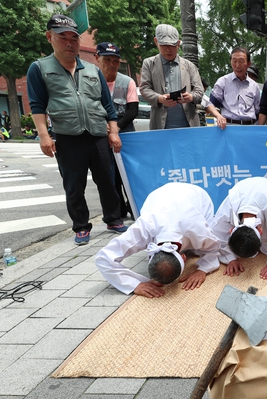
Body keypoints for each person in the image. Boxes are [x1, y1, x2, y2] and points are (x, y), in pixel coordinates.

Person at [27, 14, 127, 246]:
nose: (70, 43)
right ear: (49, 37)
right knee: (74, 185)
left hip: (97, 134)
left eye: (75, 38)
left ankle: (113, 219)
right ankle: (81, 227)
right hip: (67, 136)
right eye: (64, 38)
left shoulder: (93, 71)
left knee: (108, 181)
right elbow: (37, 105)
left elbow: (107, 105)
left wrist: (113, 131)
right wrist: (44, 136)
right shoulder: (39, 68)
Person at [95, 183, 222, 298]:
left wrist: (203, 269)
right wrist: (134, 285)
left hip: (196, 194)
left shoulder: (198, 230)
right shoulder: (142, 229)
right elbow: (103, 259)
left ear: (184, 257)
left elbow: (214, 247)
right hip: (158, 196)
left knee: (198, 249)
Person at [212, 177, 267, 280]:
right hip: (242, 188)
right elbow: (218, 237)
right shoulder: (226, 212)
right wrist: (230, 259)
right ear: (231, 230)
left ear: (261, 230)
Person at [95, 41, 137, 219]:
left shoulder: (127, 82)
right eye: (107, 60)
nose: (112, 64)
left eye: (116, 61)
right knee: (108, 176)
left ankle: (134, 207)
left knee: (129, 174)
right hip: (100, 135)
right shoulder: (91, 80)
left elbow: (132, 110)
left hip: (125, 135)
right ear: (98, 58)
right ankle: (115, 213)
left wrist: (115, 129)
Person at [140, 24, 204, 130]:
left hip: (188, 124)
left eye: (172, 45)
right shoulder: (149, 63)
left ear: (178, 44)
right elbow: (144, 88)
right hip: (160, 125)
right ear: (156, 42)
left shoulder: (189, 66)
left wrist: (191, 97)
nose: (168, 49)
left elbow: (199, 90)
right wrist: (159, 98)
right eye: (164, 45)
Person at [209, 47, 261, 129]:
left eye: (241, 61)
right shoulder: (223, 82)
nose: (237, 65)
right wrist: (218, 116)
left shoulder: (254, 86)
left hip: (250, 128)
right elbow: (210, 104)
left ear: (248, 64)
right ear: (230, 62)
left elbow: (258, 111)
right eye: (234, 61)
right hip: (228, 128)